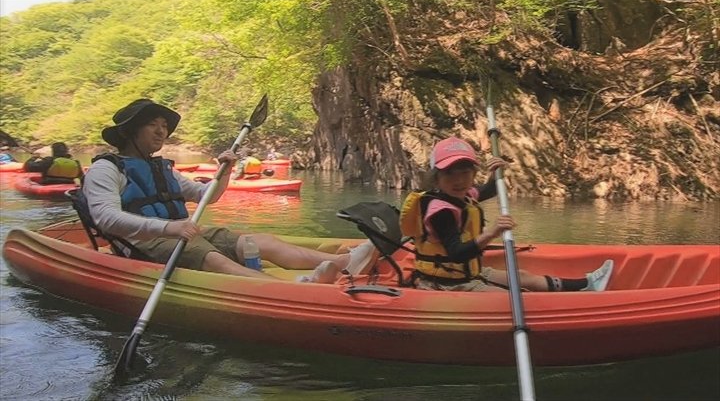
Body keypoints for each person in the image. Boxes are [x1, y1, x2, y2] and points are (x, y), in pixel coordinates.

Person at [83, 98, 375, 280]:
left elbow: (207, 196)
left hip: (181, 231)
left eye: (163, 125)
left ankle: (344, 262)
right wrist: (168, 229)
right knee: (216, 260)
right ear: (131, 131)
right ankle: (299, 289)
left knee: (260, 241)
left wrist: (224, 171)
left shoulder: (162, 168)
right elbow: (106, 219)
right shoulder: (106, 169)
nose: (161, 131)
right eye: (152, 125)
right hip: (143, 242)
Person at [399, 136, 613, 292]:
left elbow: (488, 190)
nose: (459, 181)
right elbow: (457, 254)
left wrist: (498, 172)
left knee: (522, 277)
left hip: (465, 272)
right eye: (449, 174)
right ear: (436, 178)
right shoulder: (441, 211)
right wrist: (492, 232)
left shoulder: (462, 196)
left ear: (473, 173)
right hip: (447, 283)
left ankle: (587, 285)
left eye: (465, 173)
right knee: (516, 297)